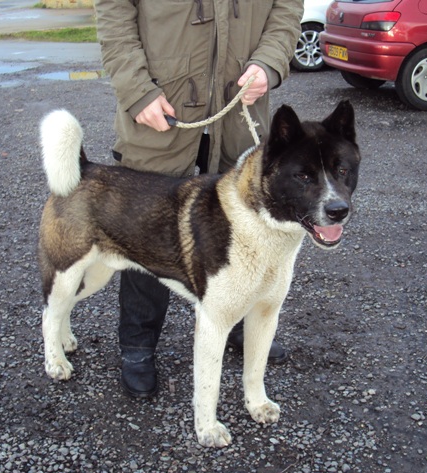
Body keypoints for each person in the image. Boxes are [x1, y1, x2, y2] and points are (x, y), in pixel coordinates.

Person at [94, 0, 304, 398]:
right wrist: (137, 91)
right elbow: (114, 11)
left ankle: (239, 323)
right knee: (147, 235)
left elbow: (287, 8)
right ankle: (138, 346)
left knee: (247, 234)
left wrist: (270, 61)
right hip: (160, 111)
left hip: (240, 113)